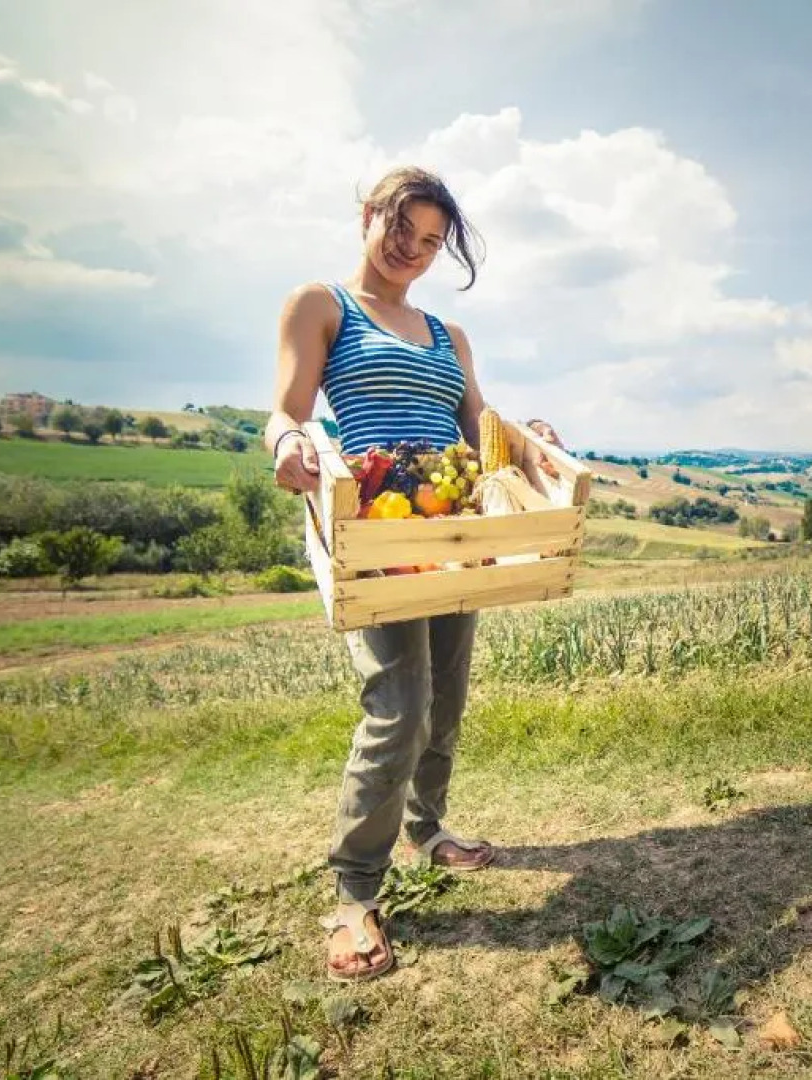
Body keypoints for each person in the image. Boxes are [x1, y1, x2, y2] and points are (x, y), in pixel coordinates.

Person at [264, 166, 561, 983]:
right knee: (399, 706)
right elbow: (285, 411)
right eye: (403, 231)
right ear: (368, 216)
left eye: (432, 242)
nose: (415, 252)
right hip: (378, 530)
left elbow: (477, 429)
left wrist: (527, 436)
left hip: (455, 526)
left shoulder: (449, 335)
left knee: (448, 699)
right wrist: (288, 447)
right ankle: (354, 892)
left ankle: (426, 830)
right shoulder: (321, 305)